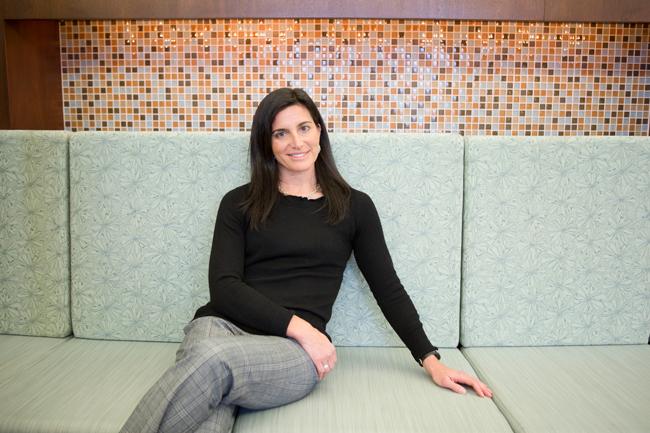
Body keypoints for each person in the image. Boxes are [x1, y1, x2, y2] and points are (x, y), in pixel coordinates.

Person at [119, 88, 492, 433]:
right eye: (281, 133)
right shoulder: (238, 203)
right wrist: (302, 328)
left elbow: (388, 287)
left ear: (319, 131)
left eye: (303, 128)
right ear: (266, 144)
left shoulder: (354, 207)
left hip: (292, 353)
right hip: (226, 327)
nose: (296, 142)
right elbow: (224, 286)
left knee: (211, 360)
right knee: (210, 392)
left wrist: (431, 359)